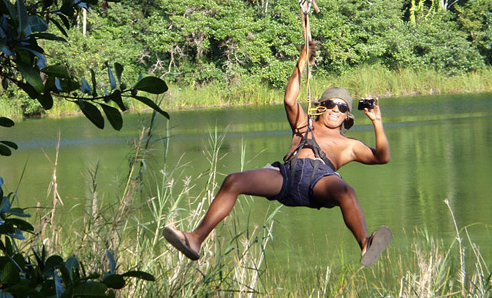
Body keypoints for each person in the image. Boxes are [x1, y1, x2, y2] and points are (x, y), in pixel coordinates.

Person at [164, 42, 391, 266]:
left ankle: (364, 244)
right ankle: (195, 239)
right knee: (233, 181)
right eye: (331, 103)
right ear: (320, 106)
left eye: (342, 107)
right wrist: (302, 61)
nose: (335, 109)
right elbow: (289, 99)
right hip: (286, 176)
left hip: (320, 182)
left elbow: (382, 157)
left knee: (346, 191)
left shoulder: (348, 145)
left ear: (346, 117)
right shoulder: (304, 124)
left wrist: (377, 122)